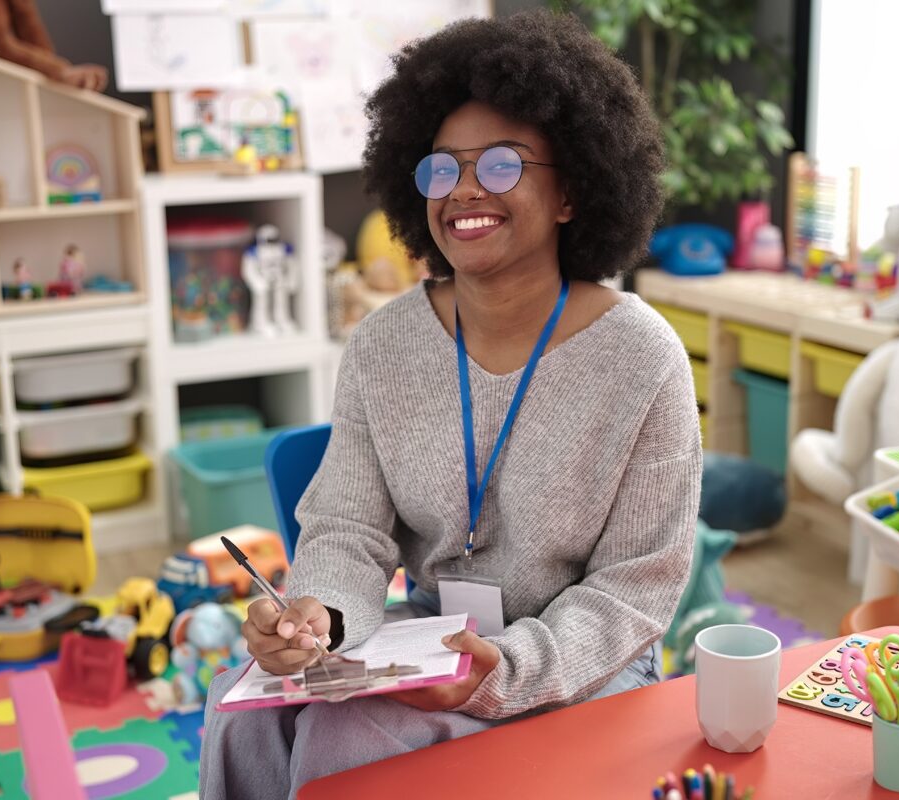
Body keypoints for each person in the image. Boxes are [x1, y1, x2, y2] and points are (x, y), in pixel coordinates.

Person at [199, 11, 702, 799]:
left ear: (571, 189)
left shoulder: (642, 357)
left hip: (581, 661)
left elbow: (637, 587)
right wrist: (318, 620)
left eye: (502, 165)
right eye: (441, 169)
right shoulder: (382, 345)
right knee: (238, 711)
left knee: (349, 736)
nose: (464, 189)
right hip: (432, 642)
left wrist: (508, 669)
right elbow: (349, 530)